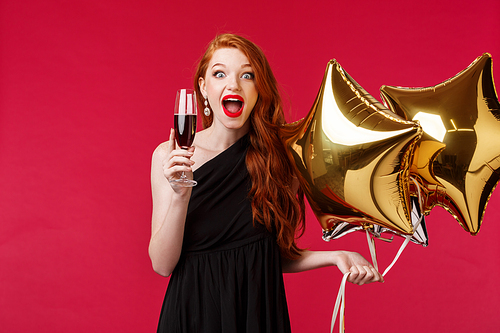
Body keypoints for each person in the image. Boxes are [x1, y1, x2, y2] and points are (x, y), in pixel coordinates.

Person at [149, 33, 384, 333]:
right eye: (219, 74)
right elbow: (162, 264)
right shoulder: (168, 156)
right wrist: (180, 194)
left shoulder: (281, 161)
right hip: (192, 314)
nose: (233, 84)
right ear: (203, 88)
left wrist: (337, 256)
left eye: (247, 75)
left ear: (259, 90)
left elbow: (268, 253)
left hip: (257, 314)